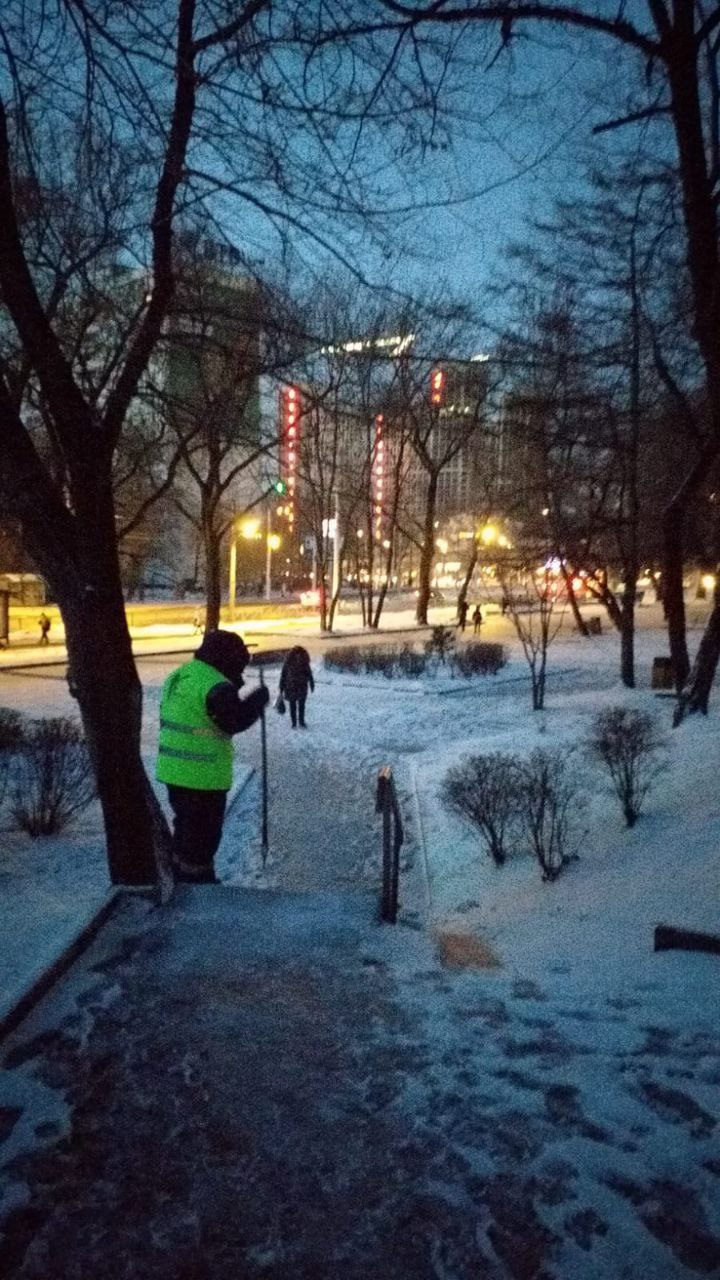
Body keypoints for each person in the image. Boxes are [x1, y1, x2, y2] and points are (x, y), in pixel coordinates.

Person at [156, 629, 269, 883]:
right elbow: (234, 719)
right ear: (227, 659)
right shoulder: (214, 684)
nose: (240, 673)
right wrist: (257, 701)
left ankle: (181, 876)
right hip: (202, 777)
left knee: (186, 831)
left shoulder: (182, 675)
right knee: (202, 840)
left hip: (175, 772)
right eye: (239, 666)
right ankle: (199, 885)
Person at [279, 645, 315, 729]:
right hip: (297, 686)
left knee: (295, 705)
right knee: (298, 705)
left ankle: (296, 723)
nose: (297, 656)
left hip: (293, 686)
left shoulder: (290, 660)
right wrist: (311, 683)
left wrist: (281, 687)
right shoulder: (299, 660)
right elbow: (309, 673)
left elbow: (283, 674)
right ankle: (298, 722)